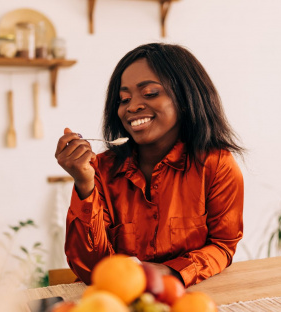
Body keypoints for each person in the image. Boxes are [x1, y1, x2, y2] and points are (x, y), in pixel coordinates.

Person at [55, 43, 244, 288]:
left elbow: (223, 246)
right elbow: (91, 269)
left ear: (186, 98)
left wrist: (170, 272)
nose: (132, 106)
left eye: (151, 93)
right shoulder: (98, 170)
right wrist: (83, 183)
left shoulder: (217, 165)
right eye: (124, 99)